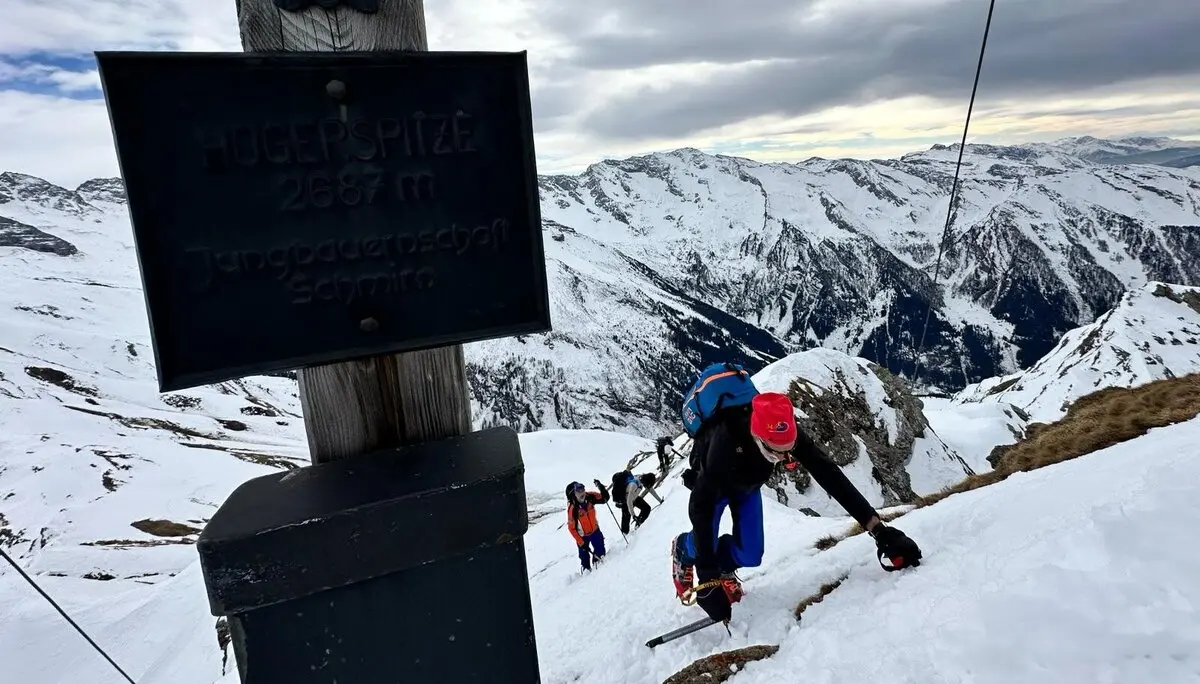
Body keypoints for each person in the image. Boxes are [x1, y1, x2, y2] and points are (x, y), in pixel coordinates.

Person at [671, 390, 923, 623]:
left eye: (789, 451)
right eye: (777, 453)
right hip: (714, 490)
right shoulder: (725, 441)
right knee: (706, 539)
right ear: (757, 436)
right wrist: (707, 576)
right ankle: (684, 549)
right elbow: (701, 508)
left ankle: (724, 566)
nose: (785, 458)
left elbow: (828, 473)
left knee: (751, 554)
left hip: (747, 486)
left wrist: (878, 529)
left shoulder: (785, 432)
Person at [566, 480, 610, 573]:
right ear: (574, 493)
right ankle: (586, 571)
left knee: (600, 550)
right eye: (578, 491)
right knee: (584, 556)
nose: (582, 493)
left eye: (582, 490)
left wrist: (600, 486)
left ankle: (598, 566)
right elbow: (571, 528)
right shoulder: (573, 509)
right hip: (582, 535)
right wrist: (581, 542)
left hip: (594, 530)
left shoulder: (590, 497)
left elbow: (604, 498)